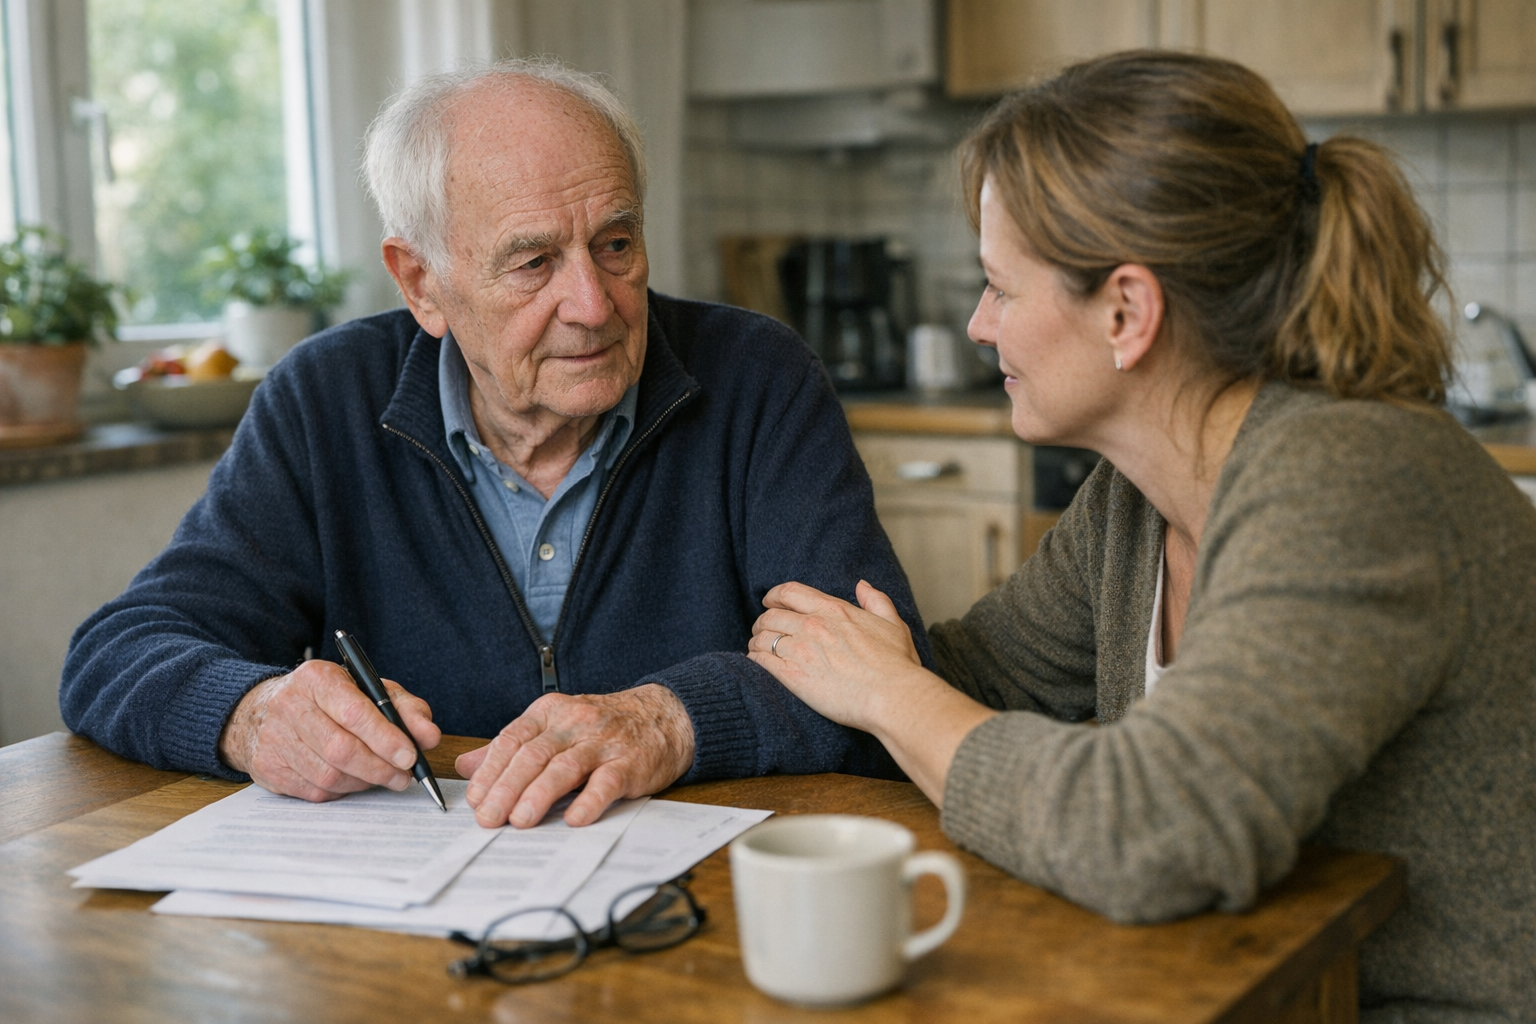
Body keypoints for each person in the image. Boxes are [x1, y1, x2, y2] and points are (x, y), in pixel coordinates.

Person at [747, 50, 1536, 1020]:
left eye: (1000, 287)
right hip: (1253, 986)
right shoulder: (1135, 498)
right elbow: (977, 676)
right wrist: (721, 696)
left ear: (1126, 310)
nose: (979, 325)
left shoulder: (1353, 478)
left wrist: (886, 690)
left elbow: (1159, 828)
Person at [61, 58, 924, 832]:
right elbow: (118, 652)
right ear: (421, 284)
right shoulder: (325, 398)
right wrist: (252, 715)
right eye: (533, 263)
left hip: (701, 909)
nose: (593, 302)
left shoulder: (758, 377)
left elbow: (885, 676)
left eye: (616, 245)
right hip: (409, 931)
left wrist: (668, 721)